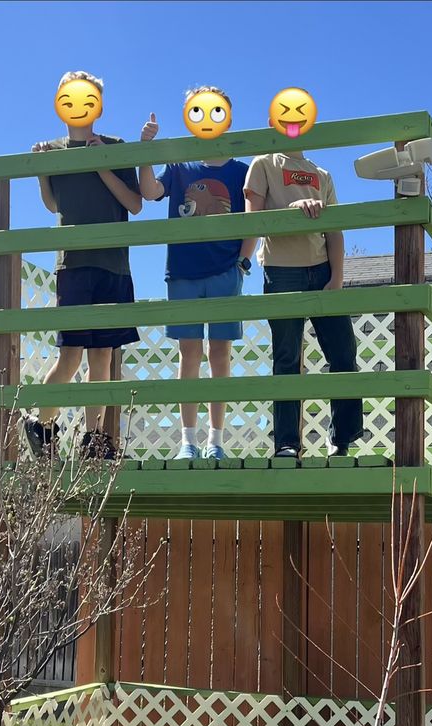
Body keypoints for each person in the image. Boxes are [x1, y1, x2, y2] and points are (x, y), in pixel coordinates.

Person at [26, 70, 142, 460]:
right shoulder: (52, 150)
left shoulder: (116, 146)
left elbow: (135, 204)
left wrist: (101, 163)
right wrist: (41, 168)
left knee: (103, 358)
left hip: (113, 265)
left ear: (99, 103)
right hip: (73, 264)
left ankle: (95, 441)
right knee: (70, 356)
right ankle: (41, 425)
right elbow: (54, 205)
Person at [138, 90, 256, 460]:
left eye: (215, 110)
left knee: (219, 354)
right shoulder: (180, 168)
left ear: (228, 118)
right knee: (188, 354)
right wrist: (145, 150)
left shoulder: (241, 170)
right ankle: (187, 441)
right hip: (183, 272)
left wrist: (243, 261)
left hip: (225, 270)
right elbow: (149, 191)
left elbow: (253, 218)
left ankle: (215, 441)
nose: (208, 117)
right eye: (198, 111)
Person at [244, 143, 362, 458]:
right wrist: (292, 211)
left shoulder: (321, 174)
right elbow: (251, 218)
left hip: (322, 269)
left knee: (344, 352)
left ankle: (342, 440)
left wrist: (336, 277)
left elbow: (335, 230)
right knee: (287, 358)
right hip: (281, 270)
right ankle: (286, 443)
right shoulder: (264, 162)